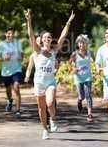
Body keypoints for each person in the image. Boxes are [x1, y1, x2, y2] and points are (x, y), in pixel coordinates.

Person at [25, 9, 75, 139]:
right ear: (41, 40)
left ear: (51, 39)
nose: (47, 39)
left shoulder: (53, 51)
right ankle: (44, 129)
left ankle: (53, 119)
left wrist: (69, 22)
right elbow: (31, 36)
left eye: (49, 37)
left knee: (50, 102)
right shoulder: (37, 51)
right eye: (44, 37)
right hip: (38, 83)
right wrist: (29, 20)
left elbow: (63, 36)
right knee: (41, 109)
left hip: (50, 82)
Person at [0, 27, 23, 117]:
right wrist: (3, 58)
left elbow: (22, 54)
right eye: (9, 33)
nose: (10, 35)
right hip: (6, 72)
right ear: (6, 34)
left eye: (12, 33)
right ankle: (10, 100)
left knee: (16, 87)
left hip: (16, 69)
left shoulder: (18, 43)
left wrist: (21, 57)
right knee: (8, 90)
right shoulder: (1, 45)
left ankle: (18, 110)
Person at [69, 34, 93, 122]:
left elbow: (95, 62)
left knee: (88, 95)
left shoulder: (90, 53)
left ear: (86, 43)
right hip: (78, 78)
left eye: (83, 42)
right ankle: (79, 100)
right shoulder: (75, 54)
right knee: (82, 96)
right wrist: (73, 68)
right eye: (79, 43)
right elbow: (70, 63)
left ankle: (89, 114)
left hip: (88, 77)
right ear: (78, 44)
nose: (81, 44)